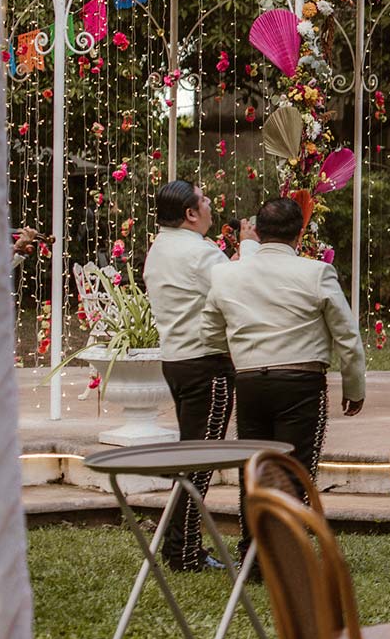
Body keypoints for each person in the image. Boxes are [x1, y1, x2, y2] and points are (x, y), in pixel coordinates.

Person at [202, 197, 365, 555]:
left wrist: (241, 352)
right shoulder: (315, 272)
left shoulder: (226, 273)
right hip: (300, 381)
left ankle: (254, 551)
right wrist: (354, 386)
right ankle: (288, 554)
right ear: (300, 232)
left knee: (255, 469)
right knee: (295, 469)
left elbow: (210, 332)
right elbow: (346, 335)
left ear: (257, 232)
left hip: (250, 381)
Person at [143, 181, 257, 572]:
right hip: (206, 363)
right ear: (191, 214)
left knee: (192, 454)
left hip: (176, 361)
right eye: (205, 200)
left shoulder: (160, 247)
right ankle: (184, 552)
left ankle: (181, 546)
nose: (211, 205)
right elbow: (242, 289)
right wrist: (250, 247)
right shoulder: (198, 252)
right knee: (200, 461)